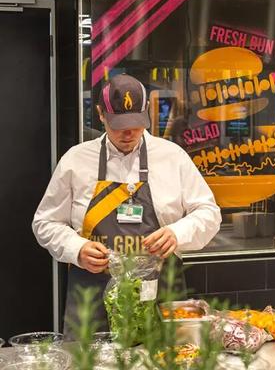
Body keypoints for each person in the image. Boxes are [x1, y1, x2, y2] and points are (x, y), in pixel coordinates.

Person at [32, 74, 222, 332]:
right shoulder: (76, 161)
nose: (128, 133)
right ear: (101, 114)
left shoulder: (172, 157)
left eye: (136, 123)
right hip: (92, 296)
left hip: (157, 294)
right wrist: (76, 248)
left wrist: (177, 233)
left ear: (147, 112)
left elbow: (209, 213)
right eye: (118, 125)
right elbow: (45, 223)